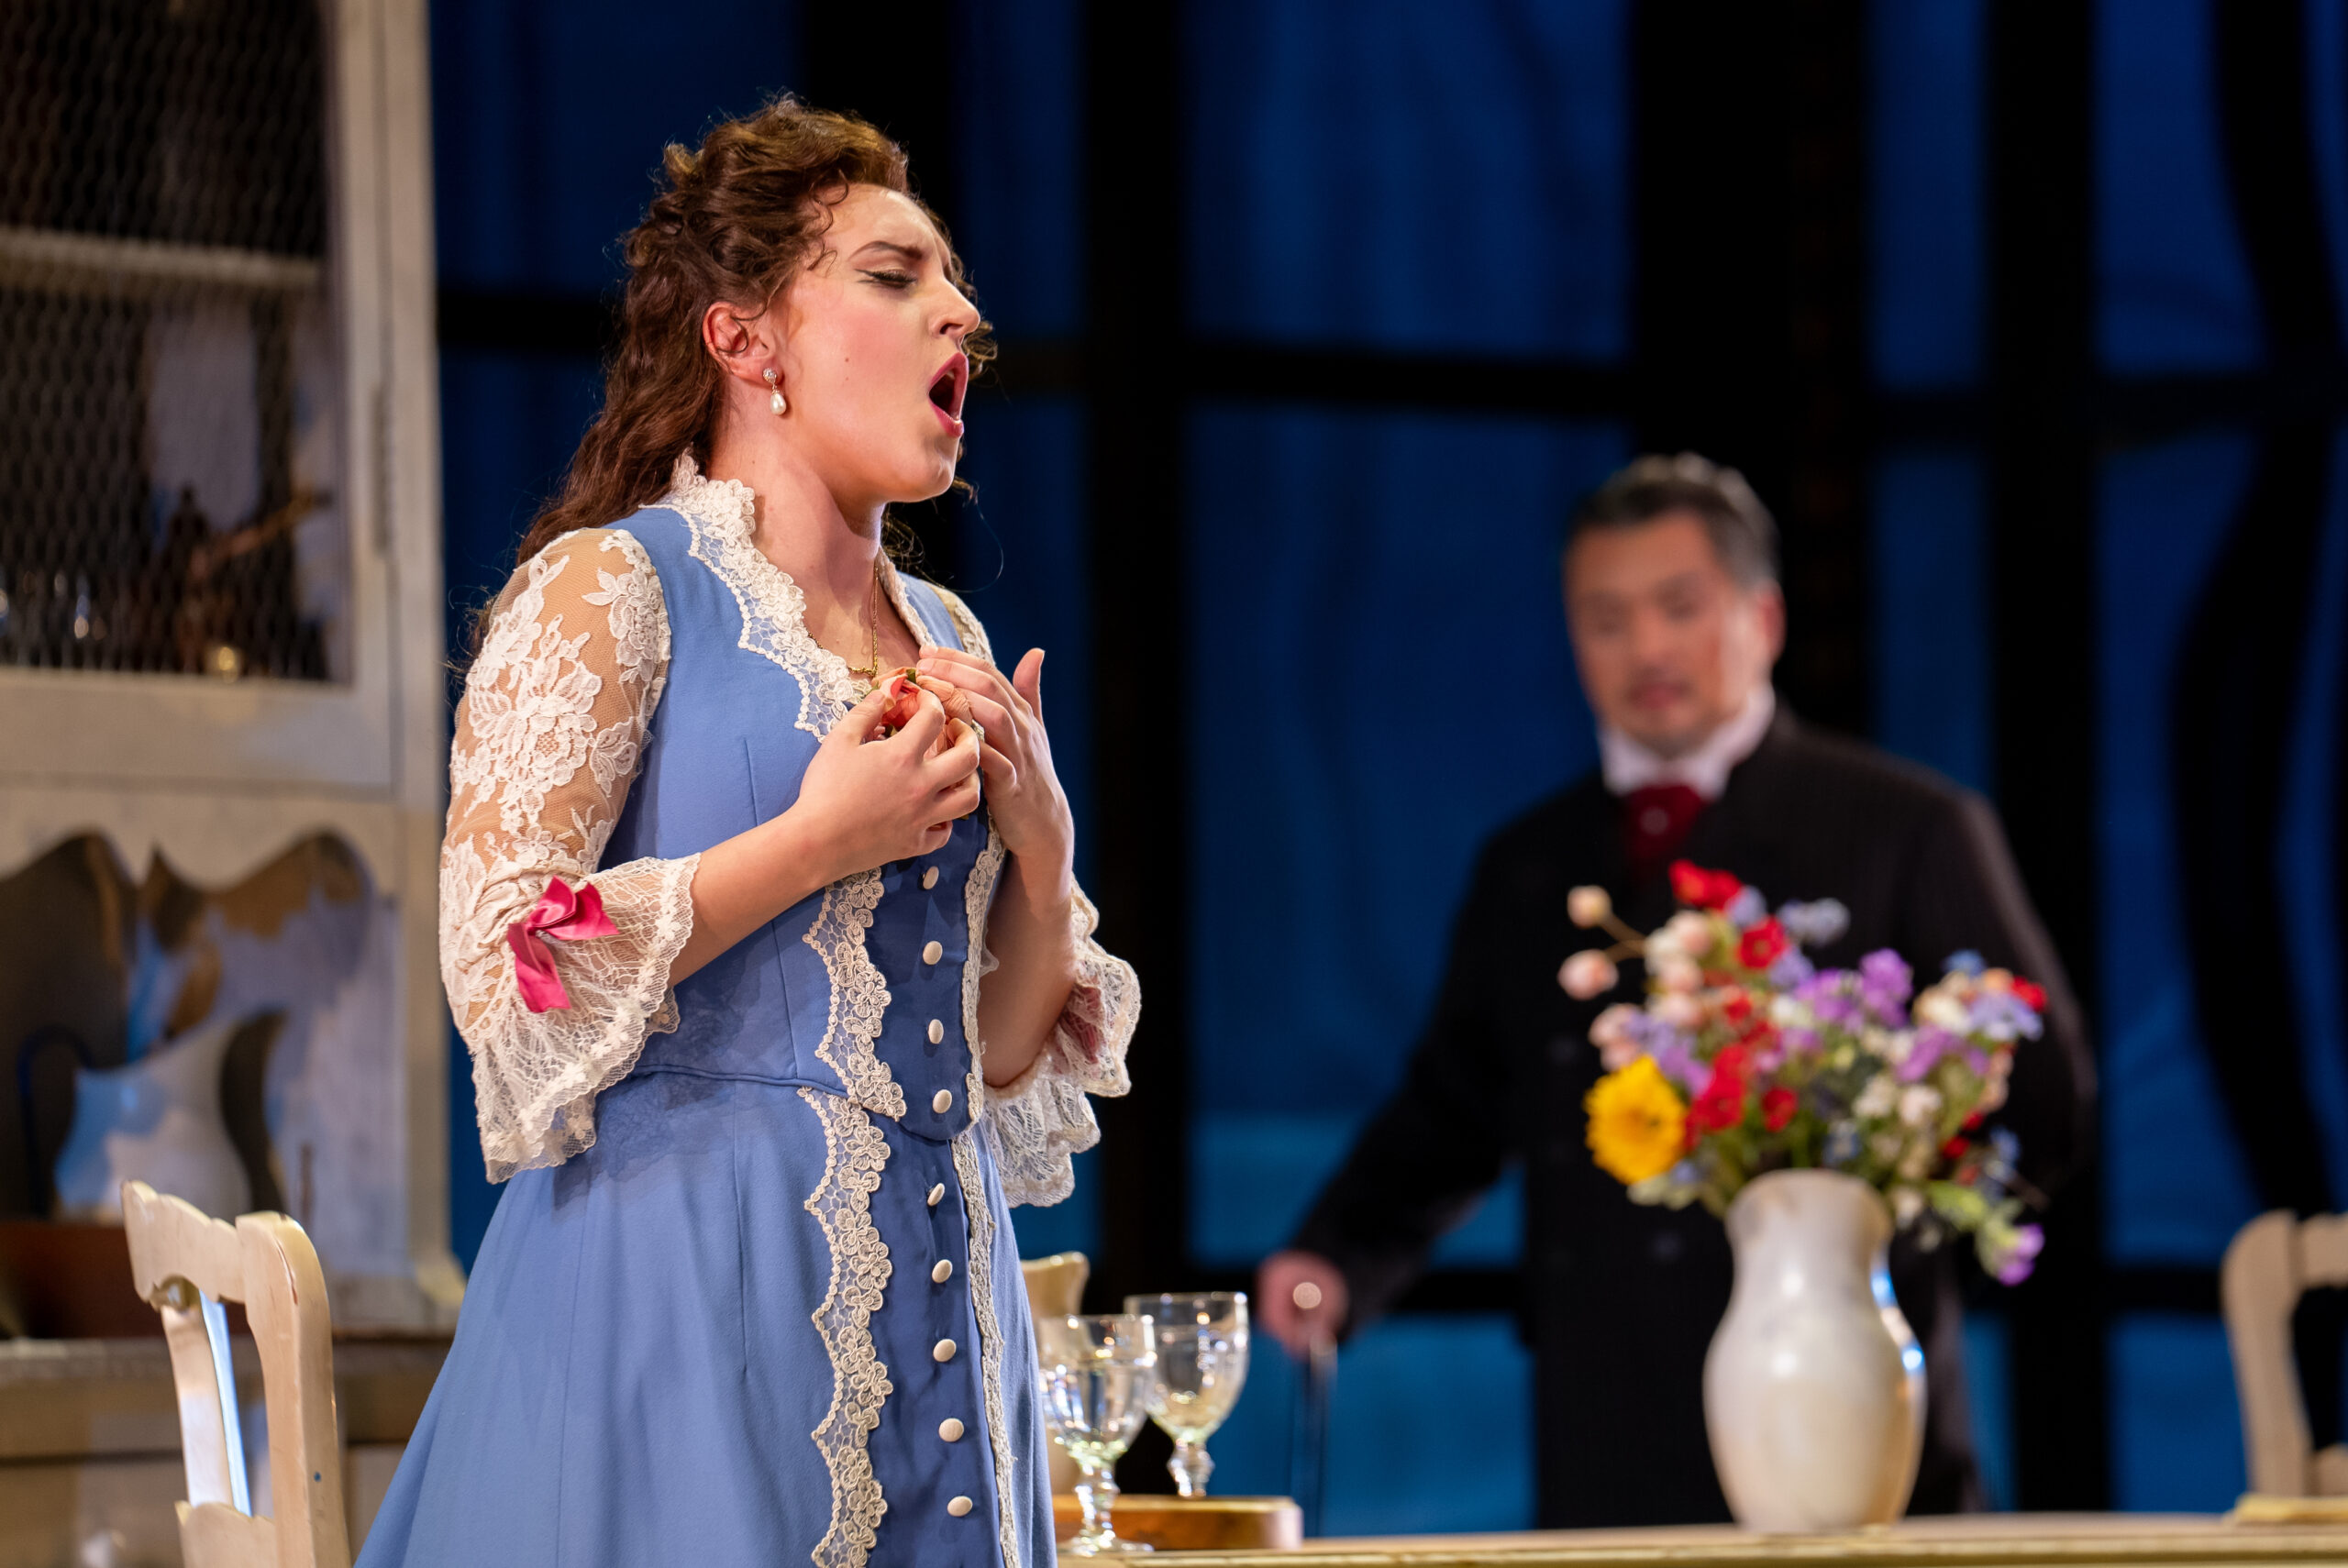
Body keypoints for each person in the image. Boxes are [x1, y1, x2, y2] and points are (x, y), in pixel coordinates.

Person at [360, 100, 1135, 1568]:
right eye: (895, 276)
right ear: (745, 341)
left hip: (940, 1300)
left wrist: (1044, 845)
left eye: (953, 282)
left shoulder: (950, 631)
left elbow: (995, 1054)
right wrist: (814, 838)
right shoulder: (611, 590)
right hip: (678, 1301)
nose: (960, 310)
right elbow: (507, 964)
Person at [1257, 454, 2092, 1526]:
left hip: (1849, 1411)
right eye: (1605, 619)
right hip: (1606, 1417)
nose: (1645, 647)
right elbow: (1454, 1105)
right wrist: (1337, 1253)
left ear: (1764, 618)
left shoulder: (1910, 828)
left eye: (1678, 607)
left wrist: (1890, 1263)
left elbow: (2040, 1096)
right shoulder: (1530, 863)